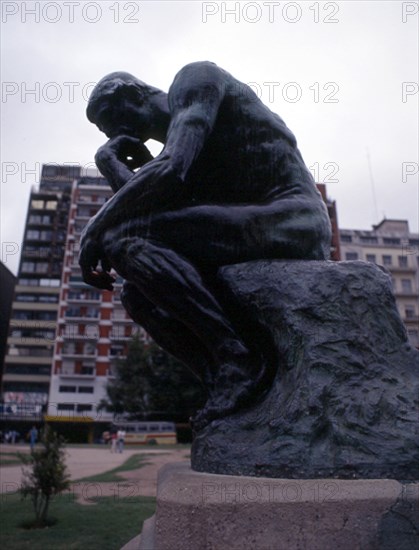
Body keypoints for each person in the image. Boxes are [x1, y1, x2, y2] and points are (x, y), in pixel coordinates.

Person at [79, 61, 332, 429]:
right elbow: (158, 211)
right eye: (106, 130)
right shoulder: (178, 141)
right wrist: (109, 163)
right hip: (250, 222)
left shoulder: (195, 83)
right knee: (136, 294)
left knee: (123, 241)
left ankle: (238, 359)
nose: (114, 132)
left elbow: (172, 170)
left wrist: (95, 229)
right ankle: (224, 381)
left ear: (133, 93)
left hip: (294, 219)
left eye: (113, 119)